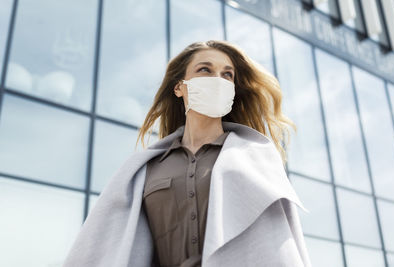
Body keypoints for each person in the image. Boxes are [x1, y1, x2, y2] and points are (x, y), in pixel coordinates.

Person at [62, 40, 312, 267]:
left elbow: (279, 245)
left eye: (227, 75)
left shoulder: (257, 158)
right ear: (180, 87)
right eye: (205, 69)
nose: (218, 79)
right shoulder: (145, 169)